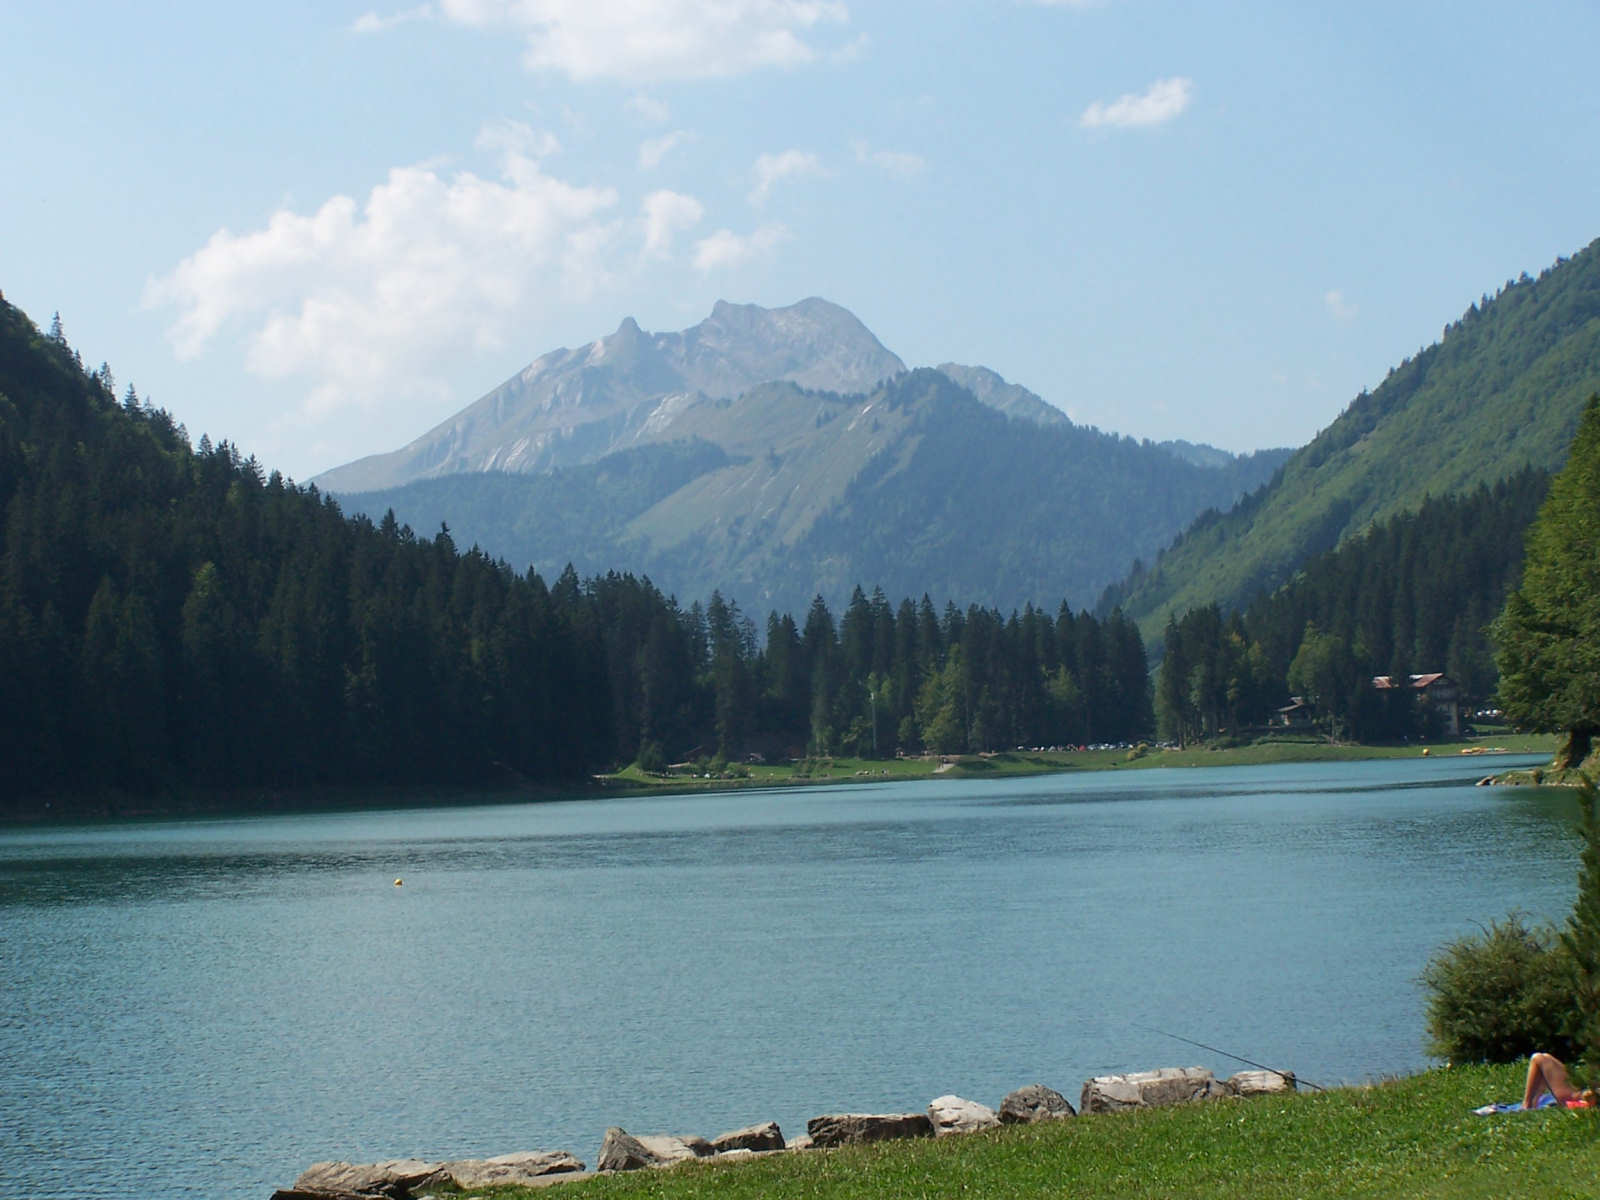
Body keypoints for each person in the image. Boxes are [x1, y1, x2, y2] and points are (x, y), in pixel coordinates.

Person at [1522, 1052, 1598, 1109]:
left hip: (1579, 1096)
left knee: (1538, 1058)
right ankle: (1531, 1103)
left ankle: (1528, 1105)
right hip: (1585, 1093)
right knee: (1544, 1057)